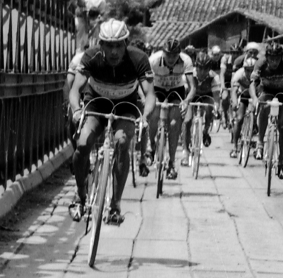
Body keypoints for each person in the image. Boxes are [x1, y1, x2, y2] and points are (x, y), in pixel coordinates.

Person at [66, 20, 156, 225]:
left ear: (126, 43)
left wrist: (145, 116)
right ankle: (80, 196)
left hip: (126, 106)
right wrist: (77, 110)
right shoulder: (91, 56)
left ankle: (115, 206)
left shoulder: (139, 58)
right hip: (96, 104)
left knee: (123, 142)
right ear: (101, 44)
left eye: (118, 45)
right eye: (108, 45)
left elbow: (150, 94)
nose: (114, 51)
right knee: (82, 143)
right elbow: (75, 89)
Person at [251, 27, 283, 180]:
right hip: (267, 91)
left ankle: (282, 159)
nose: (274, 62)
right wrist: (254, 99)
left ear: (281, 57)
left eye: (277, 58)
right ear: (267, 57)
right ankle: (260, 143)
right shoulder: (260, 64)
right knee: (263, 108)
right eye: (271, 58)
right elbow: (253, 84)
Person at [143, 44, 195, 180]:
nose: (171, 58)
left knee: (174, 124)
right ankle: (151, 145)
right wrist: (145, 99)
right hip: (157, 89)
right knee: (153, 115)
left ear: (179, 54)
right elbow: (143, 83)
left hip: (176, 91)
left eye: (174, 55)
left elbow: (192, 87)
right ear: (163, 53)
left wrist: (186, 101)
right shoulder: (153, 60)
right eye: (168, 55)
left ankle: (171, 163)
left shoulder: (186, 60)